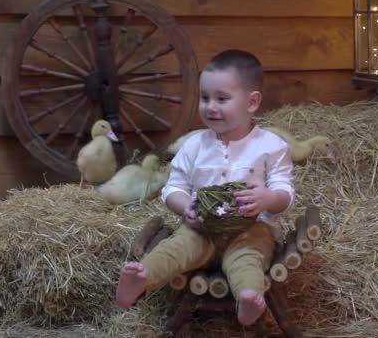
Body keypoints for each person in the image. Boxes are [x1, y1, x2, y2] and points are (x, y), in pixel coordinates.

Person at [116, 49, 295, 326]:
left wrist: (267, 198)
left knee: (248, 259)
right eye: (205, 98)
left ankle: (248, 299)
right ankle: (141, 279)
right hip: (201, 229)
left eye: (222, 99)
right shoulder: (194, 145)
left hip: (250, 230)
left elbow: (285, 194)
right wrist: (185, 205)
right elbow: (172, 188)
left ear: (252, 102)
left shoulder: (271, 146)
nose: (211, 106)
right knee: (175, 248)